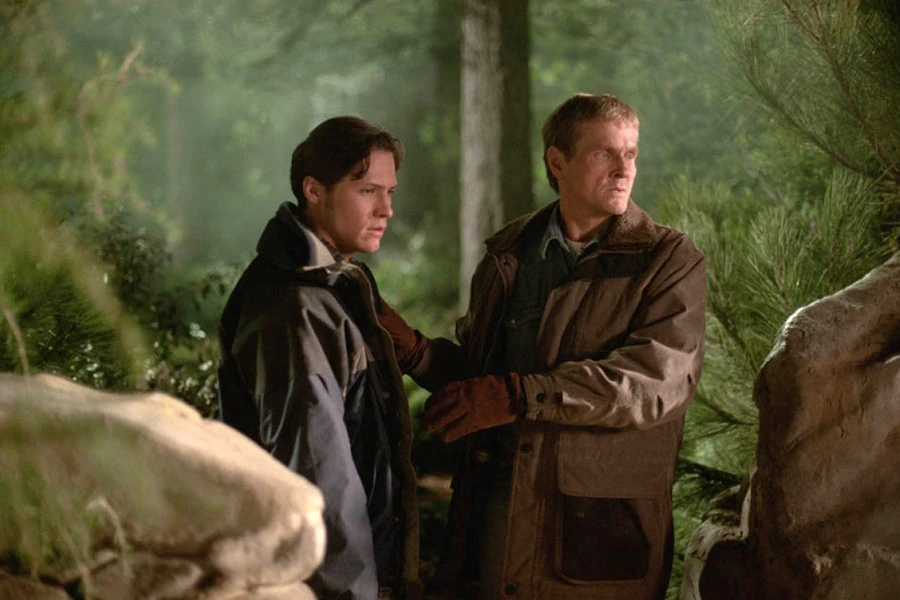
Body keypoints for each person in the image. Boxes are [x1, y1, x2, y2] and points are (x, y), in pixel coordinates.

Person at [380, 93, 706, 599]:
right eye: (604, 153)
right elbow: (485, 379)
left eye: (631, 153)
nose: (624, 169)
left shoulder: (667, 260)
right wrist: (419, 353)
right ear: (558, 161)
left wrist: (519, 395)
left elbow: (655, 383)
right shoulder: (509, 254)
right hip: (498, 519)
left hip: (599, 541)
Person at [217, 116, 420, 600]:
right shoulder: (293, 308)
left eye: (390, 192)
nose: (387, 209)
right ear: (314, 191)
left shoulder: (328, 285)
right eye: (368, 191)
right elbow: (318, 481)